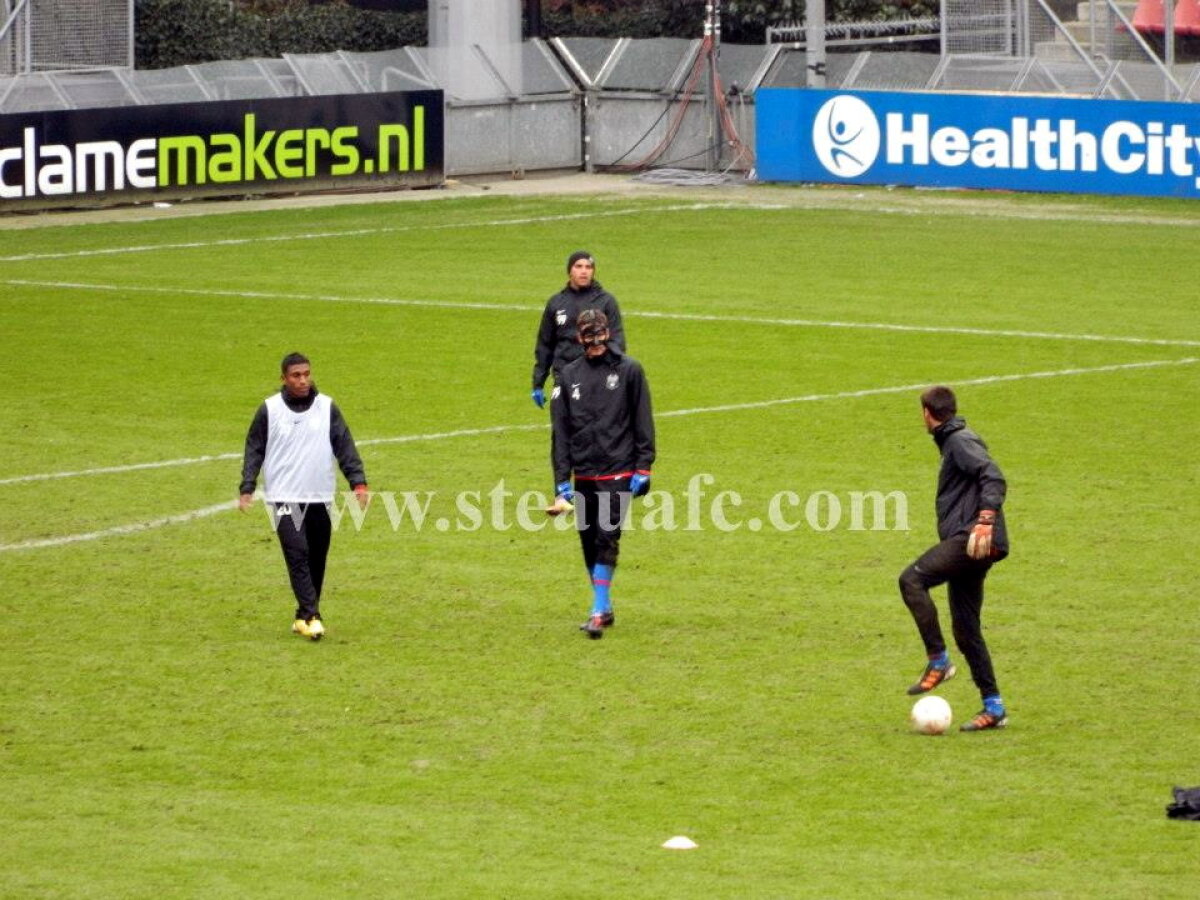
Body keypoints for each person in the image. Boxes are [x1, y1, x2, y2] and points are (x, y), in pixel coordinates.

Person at [899, 385, 1010, 731]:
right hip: (973, 542)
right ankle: (994, 707)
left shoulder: (960, 441)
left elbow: (993, 475)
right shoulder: (953, 440)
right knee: (966, 629)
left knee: (912, 580)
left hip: (972, 538)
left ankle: (939, 660)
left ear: (927, 414)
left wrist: (985, 521)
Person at [238, 352, 369, 641]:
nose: (303, 380)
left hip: (320, 496)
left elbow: (344, 445)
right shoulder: (270, 410)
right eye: (296, 375)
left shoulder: (327, 407)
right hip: (284, 497)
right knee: (297, 553)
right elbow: (254, 448)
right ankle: (313, 615)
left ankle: (302, 616)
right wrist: (247, 485)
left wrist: (357, 482)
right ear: (284, 378)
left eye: (306, 374)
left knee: (316, 558)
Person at [549, 309, 654, 639]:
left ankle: (597, 610)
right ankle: (604, 606)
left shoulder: (629, 371)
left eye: (598, 334)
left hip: (618, 471)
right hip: (585, 474)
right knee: (588, 543)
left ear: (606, 334)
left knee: (607, 536)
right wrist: (562, 480)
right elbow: (561, 433)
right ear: (580, 338)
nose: (594, 342)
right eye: (588, 336)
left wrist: (643, 466)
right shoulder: (568, 376)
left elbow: (642, 419)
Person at [531, 250, 625, 409]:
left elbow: (617, 341)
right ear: (569, 270)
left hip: (596, 378)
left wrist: (613, 373)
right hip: (563, 378)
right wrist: (538, 383)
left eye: (588, 267)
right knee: (561, 430)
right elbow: (545, 344)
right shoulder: (556, 303)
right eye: (578, 266)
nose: (584, 271)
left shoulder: (606, 302)